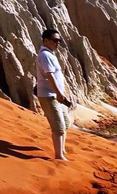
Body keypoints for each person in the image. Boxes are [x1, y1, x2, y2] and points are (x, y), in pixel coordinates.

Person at [35, 28, 73, 160]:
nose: (58, 43)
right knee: (58, 127)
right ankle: (59, 156)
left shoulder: (50, 54)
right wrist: (58, 93)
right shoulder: (44, 55)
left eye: (59, 41)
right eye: (55, 40)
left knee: (66, 122)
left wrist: (62, 93)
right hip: (49, 96)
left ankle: (62, 149)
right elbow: (49, 75)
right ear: (46, 40)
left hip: (57, 95)